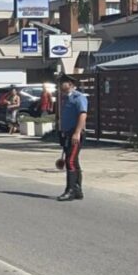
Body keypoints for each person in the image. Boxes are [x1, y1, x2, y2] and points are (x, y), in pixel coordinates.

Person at [57, 74, 88, 202]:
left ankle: (70, 191)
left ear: (70, 84)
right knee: (74, 161)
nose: (60, 86)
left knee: (70, 161)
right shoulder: (65, 98)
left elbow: (83, 115)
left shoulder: (78, 97)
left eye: (62, 83)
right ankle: (77, 190)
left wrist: (77, 132)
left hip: (75, 134)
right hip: (67, 134)